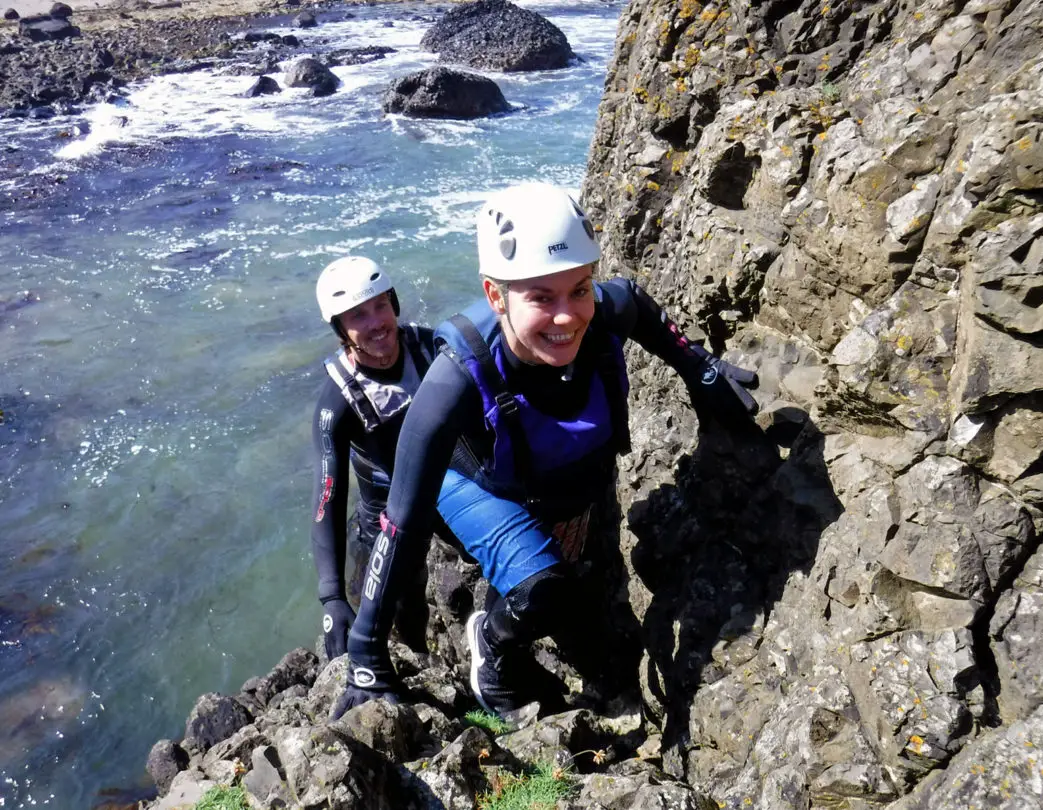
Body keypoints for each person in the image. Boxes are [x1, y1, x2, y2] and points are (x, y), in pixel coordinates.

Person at [332, 182, 759, 718]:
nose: (568, 316)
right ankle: (490, 643)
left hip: (571, 482)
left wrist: (700, 369)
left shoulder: (603, 310)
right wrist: (365, 650)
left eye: (579, 288)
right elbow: (401, 516)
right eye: (540, 297)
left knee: (592, 610)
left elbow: (645, 313)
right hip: (481, 484)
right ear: (495, 295)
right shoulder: (454, 379)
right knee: (544, 589)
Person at [310, 255, 437, 661]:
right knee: (400, 624)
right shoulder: (338, 401)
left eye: (381, 305)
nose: (376, 322)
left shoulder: (430, 349)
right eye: (358, 315)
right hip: (383, 529)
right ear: (340, 329)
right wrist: (331, 597)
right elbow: (328, 496)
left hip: (447, 504)